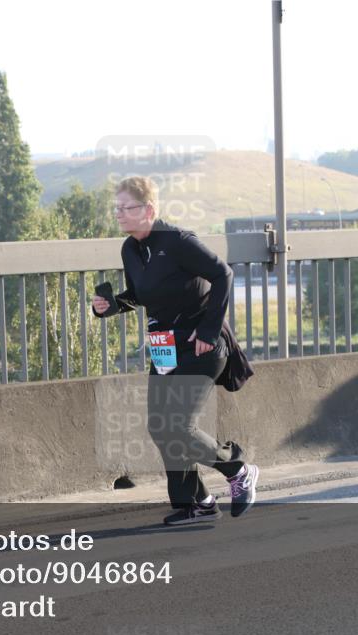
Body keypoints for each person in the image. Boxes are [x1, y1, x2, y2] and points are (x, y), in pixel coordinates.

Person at [92, 176, 259, 525]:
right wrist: (110, 305)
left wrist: (209, 329)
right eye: (117, 208)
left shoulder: (177, 241)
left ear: (149, 209)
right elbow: (141, 294)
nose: (120, 214)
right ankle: (197, 502)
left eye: (127, 207)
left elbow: (222, 274)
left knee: (178, 425)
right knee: (160, 426)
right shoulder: (130, 249)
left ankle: (238, 469)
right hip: (165, 346)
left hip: (202, 344)